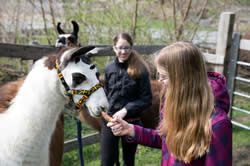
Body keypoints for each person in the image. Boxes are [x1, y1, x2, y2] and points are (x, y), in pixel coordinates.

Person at [107, 41, 232, 166]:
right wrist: (131, 129)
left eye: (164, 76)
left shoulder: (217, 125)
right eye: (159, 75)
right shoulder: (172, 104)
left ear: (185, 79)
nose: (160, 81)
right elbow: (165, 140)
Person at [101, 32, 152, 166]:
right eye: (120, 48)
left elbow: (146, 99)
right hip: (110, 122)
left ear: (131, 48)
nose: (123, 51)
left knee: (128, 162)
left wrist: (126, 110)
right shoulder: (109, 68)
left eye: (127, 48)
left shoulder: (140, 70)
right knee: (106, 162)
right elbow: (107, 92)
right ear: (114, 48)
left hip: (131, 122)